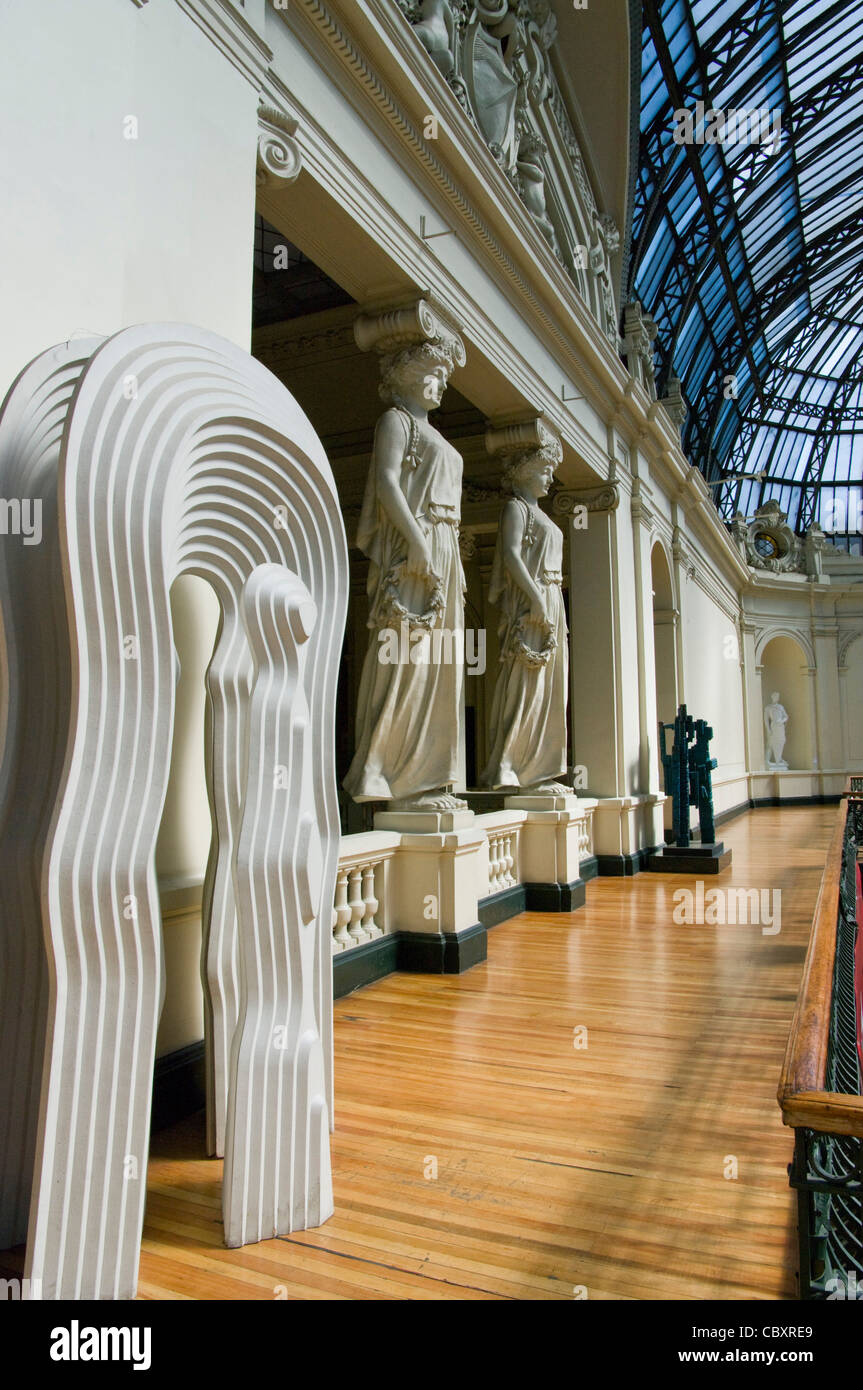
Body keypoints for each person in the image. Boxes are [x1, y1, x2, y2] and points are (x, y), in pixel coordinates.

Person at [344, 339, 466, 809]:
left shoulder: (433, 434)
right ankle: (391, 776)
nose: (439, 382)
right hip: (419, 543)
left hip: (446, 548)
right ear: (406, 376)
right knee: (408, 657)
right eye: (430, 373)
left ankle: (431, 778)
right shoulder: (395, 420)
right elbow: (386, 483)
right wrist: (417, 541)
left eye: (442, 376)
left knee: (443, 662)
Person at [480, 446, 569, 791]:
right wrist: (536, 599)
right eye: (543, 470)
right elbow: (512, 556)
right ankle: (510, 766)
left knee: (551, 688)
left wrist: (550, 604)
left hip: (552, 599)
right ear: (523, 472)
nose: (549, 477)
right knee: (526, 684)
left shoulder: (540, 514)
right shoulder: (515, 508)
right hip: (535, 600)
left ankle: (541, 769)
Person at [764, 691, 789, 767]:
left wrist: (782, 721)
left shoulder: (780, 707)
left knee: (781, 742)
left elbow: (786, 716)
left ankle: (779, 759)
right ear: (772, 697)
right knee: (771, 743)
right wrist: (768, 730)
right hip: (774, 727)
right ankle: (767, 760)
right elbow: (766, 719)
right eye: (775, 696)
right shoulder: (768, 707)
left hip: (780, 727)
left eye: (778, 697)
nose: (777, 698)